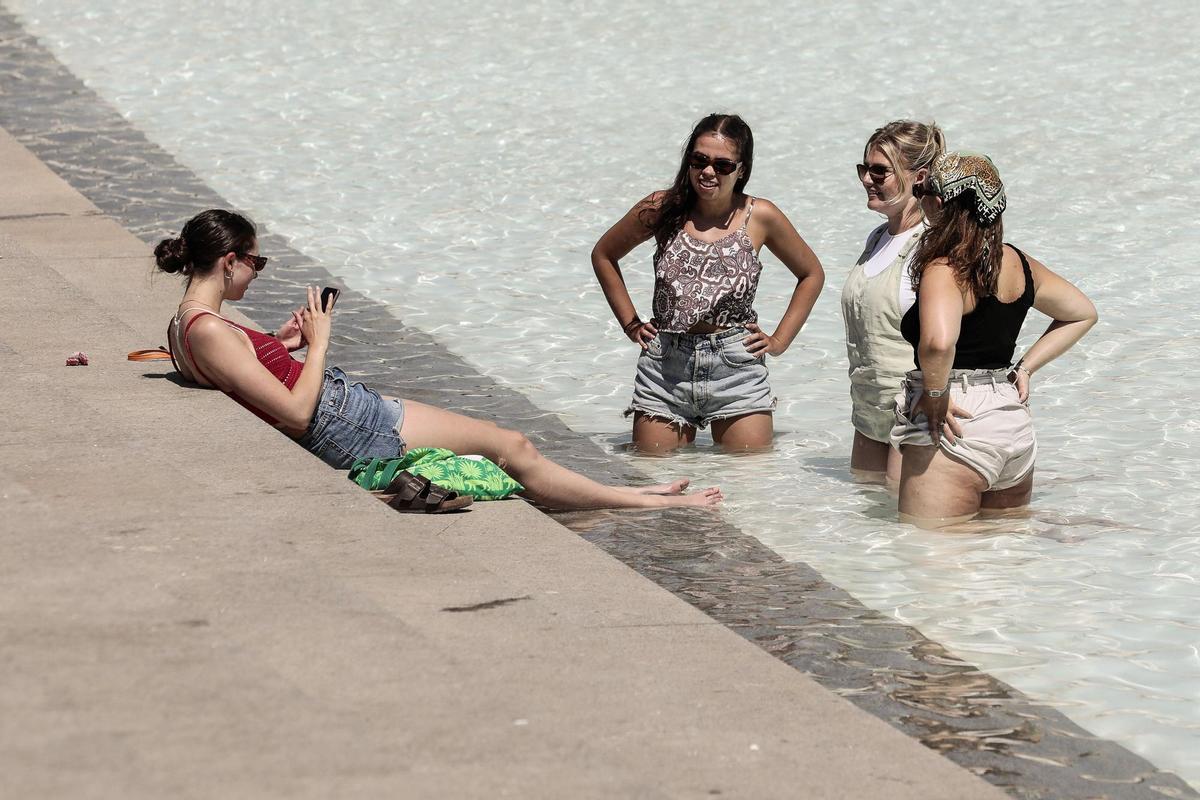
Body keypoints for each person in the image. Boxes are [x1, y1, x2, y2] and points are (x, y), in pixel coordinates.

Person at [156, 209, 723, 511]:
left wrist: (280, 345)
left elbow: (247, 375)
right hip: (345, 423)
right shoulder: (209, 332)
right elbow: (297, 414)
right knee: (511, 447)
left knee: (503, 451)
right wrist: (322, 340)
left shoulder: (184, 324)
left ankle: (630, 495)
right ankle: (642, 502)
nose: (258, 270)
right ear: (229, 260)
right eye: (256, 260)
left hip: (347, 413)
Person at [592, 113, 824, 452]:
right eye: (699, 160)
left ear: (741, 169)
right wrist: (630, 323)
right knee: (652, 477)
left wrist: (779, 341)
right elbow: (604, 254)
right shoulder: (662, 207)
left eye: (723, 164)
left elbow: (811, 274)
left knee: (748, 484)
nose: (709, 171)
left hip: (736, 367)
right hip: (665, 366)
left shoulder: (760, 216)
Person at [890, 152, 1097, 525]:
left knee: (928, 566)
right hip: (1010, 418)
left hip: (957, 421)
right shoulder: (1018, 263)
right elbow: (1082, 313)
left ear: (940, 203)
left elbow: (938, 343)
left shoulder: (944, 267)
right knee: (1002, 563)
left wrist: (936, 395)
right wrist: (1025, 368)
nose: (919, 201)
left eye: (922, 193)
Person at [841, 120, 945, 483]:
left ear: (918, 177)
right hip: (868, 409)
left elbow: (952, 335)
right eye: (864, 169)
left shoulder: (933, 244)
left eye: (879, 171)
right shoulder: (876, 237)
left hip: (913, 415)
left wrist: (937, 394)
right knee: (869, 518)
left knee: (909, 529)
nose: (867, 179)